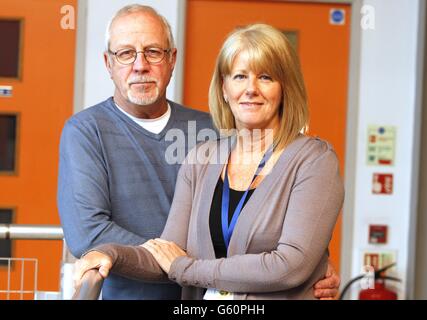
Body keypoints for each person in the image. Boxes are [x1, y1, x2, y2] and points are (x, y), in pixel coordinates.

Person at [59, 4, 339, 300]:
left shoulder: (214, 130)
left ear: (171, 59)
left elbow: (288, 248)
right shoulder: (90, 132)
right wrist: (117, 254)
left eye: (153, 52)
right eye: (126, 53)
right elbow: (96, 234)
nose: (140, 65)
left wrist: (311, 264)